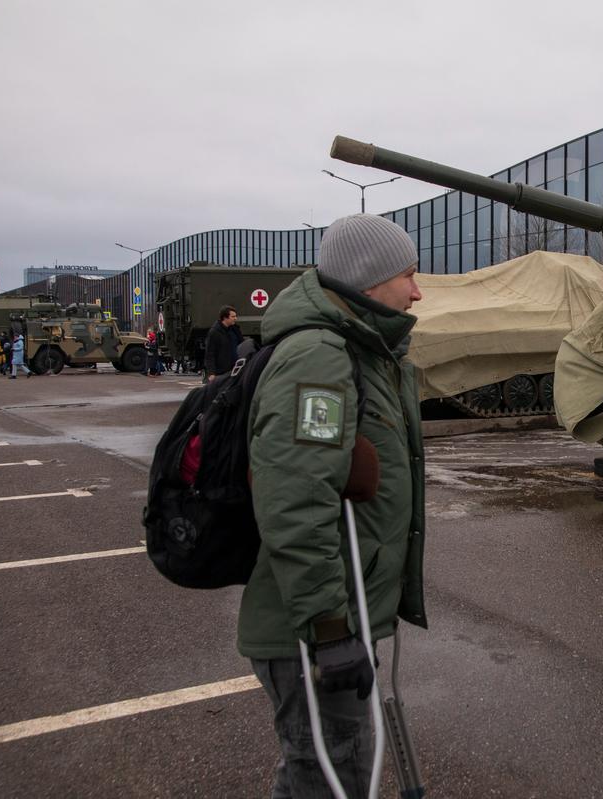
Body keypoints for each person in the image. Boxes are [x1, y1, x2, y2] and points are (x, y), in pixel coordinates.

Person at [241, 213, 426, 798]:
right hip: (315, 624)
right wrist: (329, 629)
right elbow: (295, 499)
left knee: (322, 771)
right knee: (332, 774)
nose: (418, 291)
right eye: (409, 274)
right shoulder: (321, 357)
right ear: (370, 282)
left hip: (336, 612)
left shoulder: (361, 349)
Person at [203, 305, 241, 382]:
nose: (235, 318)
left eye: (235, 316)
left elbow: (241, 344)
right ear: (225, 317)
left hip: (235, 369)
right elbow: (210, 354)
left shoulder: (235, 330)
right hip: (221, 372)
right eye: (233, 316)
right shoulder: (214, 332)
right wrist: (211, 373)